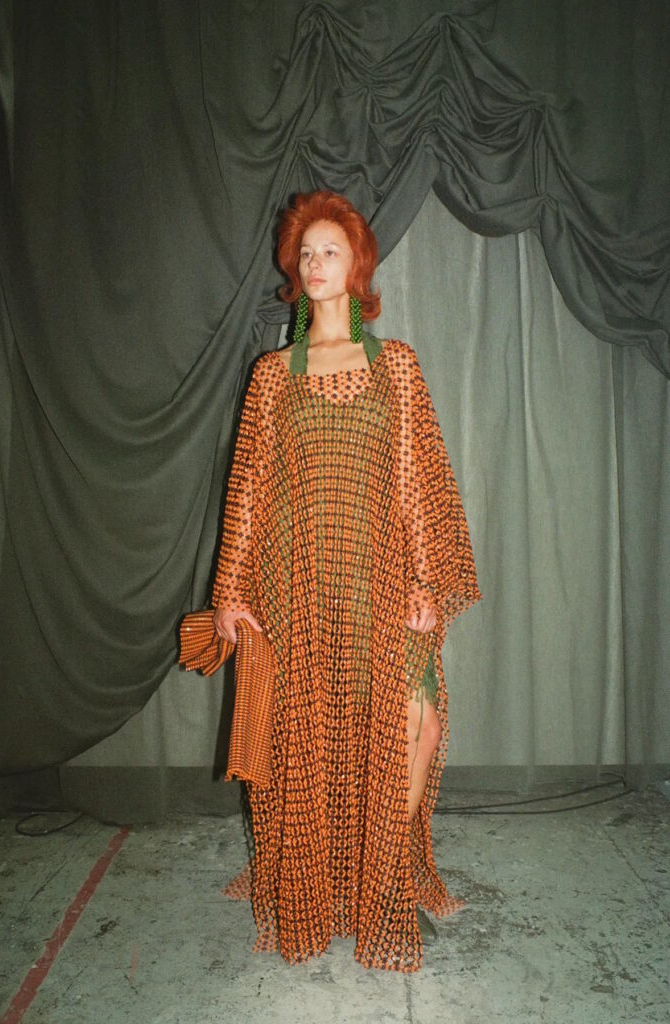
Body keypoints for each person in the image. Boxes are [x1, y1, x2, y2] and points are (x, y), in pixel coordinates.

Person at [205, 190, 480, 972]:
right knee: (308, 737)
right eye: (305, 253)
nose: (315, 263)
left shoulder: (395, 365)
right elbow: (248, 489)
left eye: (330, 250)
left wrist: (425, 580)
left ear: (357, 265)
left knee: (414, 724)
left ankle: (381, 877)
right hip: (293, 583)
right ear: (293, 271)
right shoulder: (271, 375)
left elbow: (416, 481)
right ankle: (325, 885)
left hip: (379, 579)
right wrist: (230, 593)